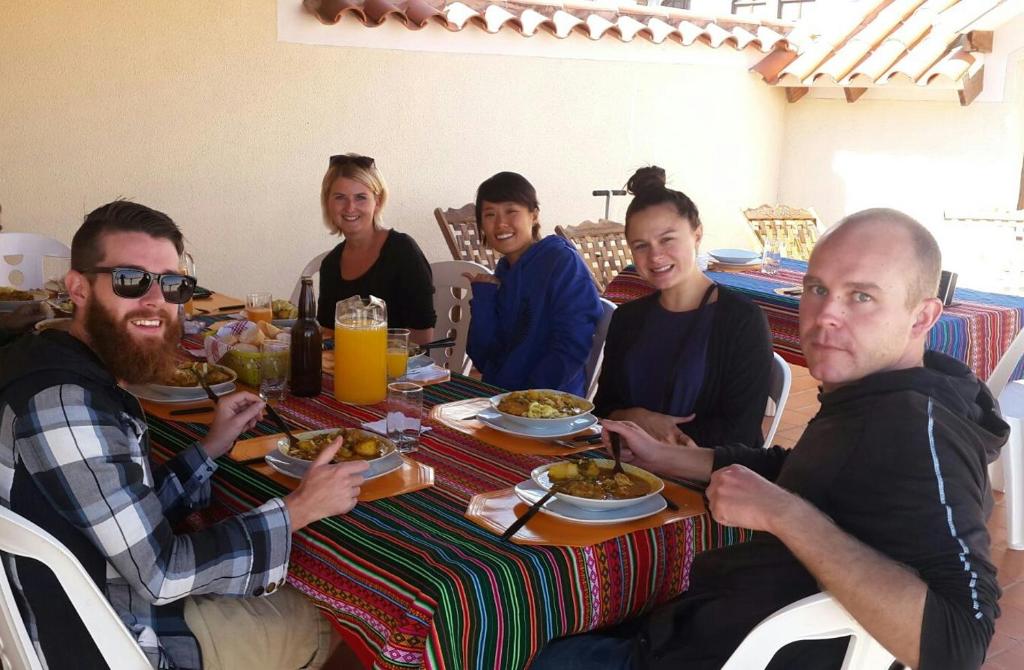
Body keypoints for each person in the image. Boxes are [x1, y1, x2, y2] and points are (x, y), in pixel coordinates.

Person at [532, 208, 1005, 670]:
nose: (826, 315)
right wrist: (670, 458)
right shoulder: (875, 393)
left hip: (713, 655)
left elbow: (962, 642)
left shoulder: (918, 432)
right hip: (701, 627)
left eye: (861, 296)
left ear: (922, 317)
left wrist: (786, 515)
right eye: (817, 289)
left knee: (525, 638)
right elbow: (803, 469)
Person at [0, 201, 369, 670]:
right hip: (108, 639)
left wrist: (210, 448)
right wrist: (300, 509)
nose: (156, 301)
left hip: (83, 599)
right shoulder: (66, 406)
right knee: (346, 620)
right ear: (79, 288)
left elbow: (124, 512)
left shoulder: (47, 359)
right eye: (130, 280)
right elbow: (161, 574)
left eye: (172, 285)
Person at [593, 167, 773, 447]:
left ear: (697, 235)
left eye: (667, 239)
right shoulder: (627, 319)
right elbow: (604, 408)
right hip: (624, 465)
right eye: (641, 245)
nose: (655, 256)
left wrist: (659, 441)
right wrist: (637, 418)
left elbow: (742, 432)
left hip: (704, 470)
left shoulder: (741, 320)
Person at [464, 172, 603, 395]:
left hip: (550, 402)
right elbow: (482, 356)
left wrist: (528, 396)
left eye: (511, 211)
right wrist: (484, 298)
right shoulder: (503, 272)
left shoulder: (560, 261)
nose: (500, 223)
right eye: (490, 215)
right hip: (500, 398)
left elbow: (573, 343)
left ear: (534, 215)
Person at [316, 153, 435, 345]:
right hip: (348, 361)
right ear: (328, 203)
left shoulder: (402, 251)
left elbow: (422, 337)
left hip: (401, 363)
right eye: (340, 198)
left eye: (360, 197)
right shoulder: (330, 264)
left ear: (377, 202)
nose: (350, 207)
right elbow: (329, 337)